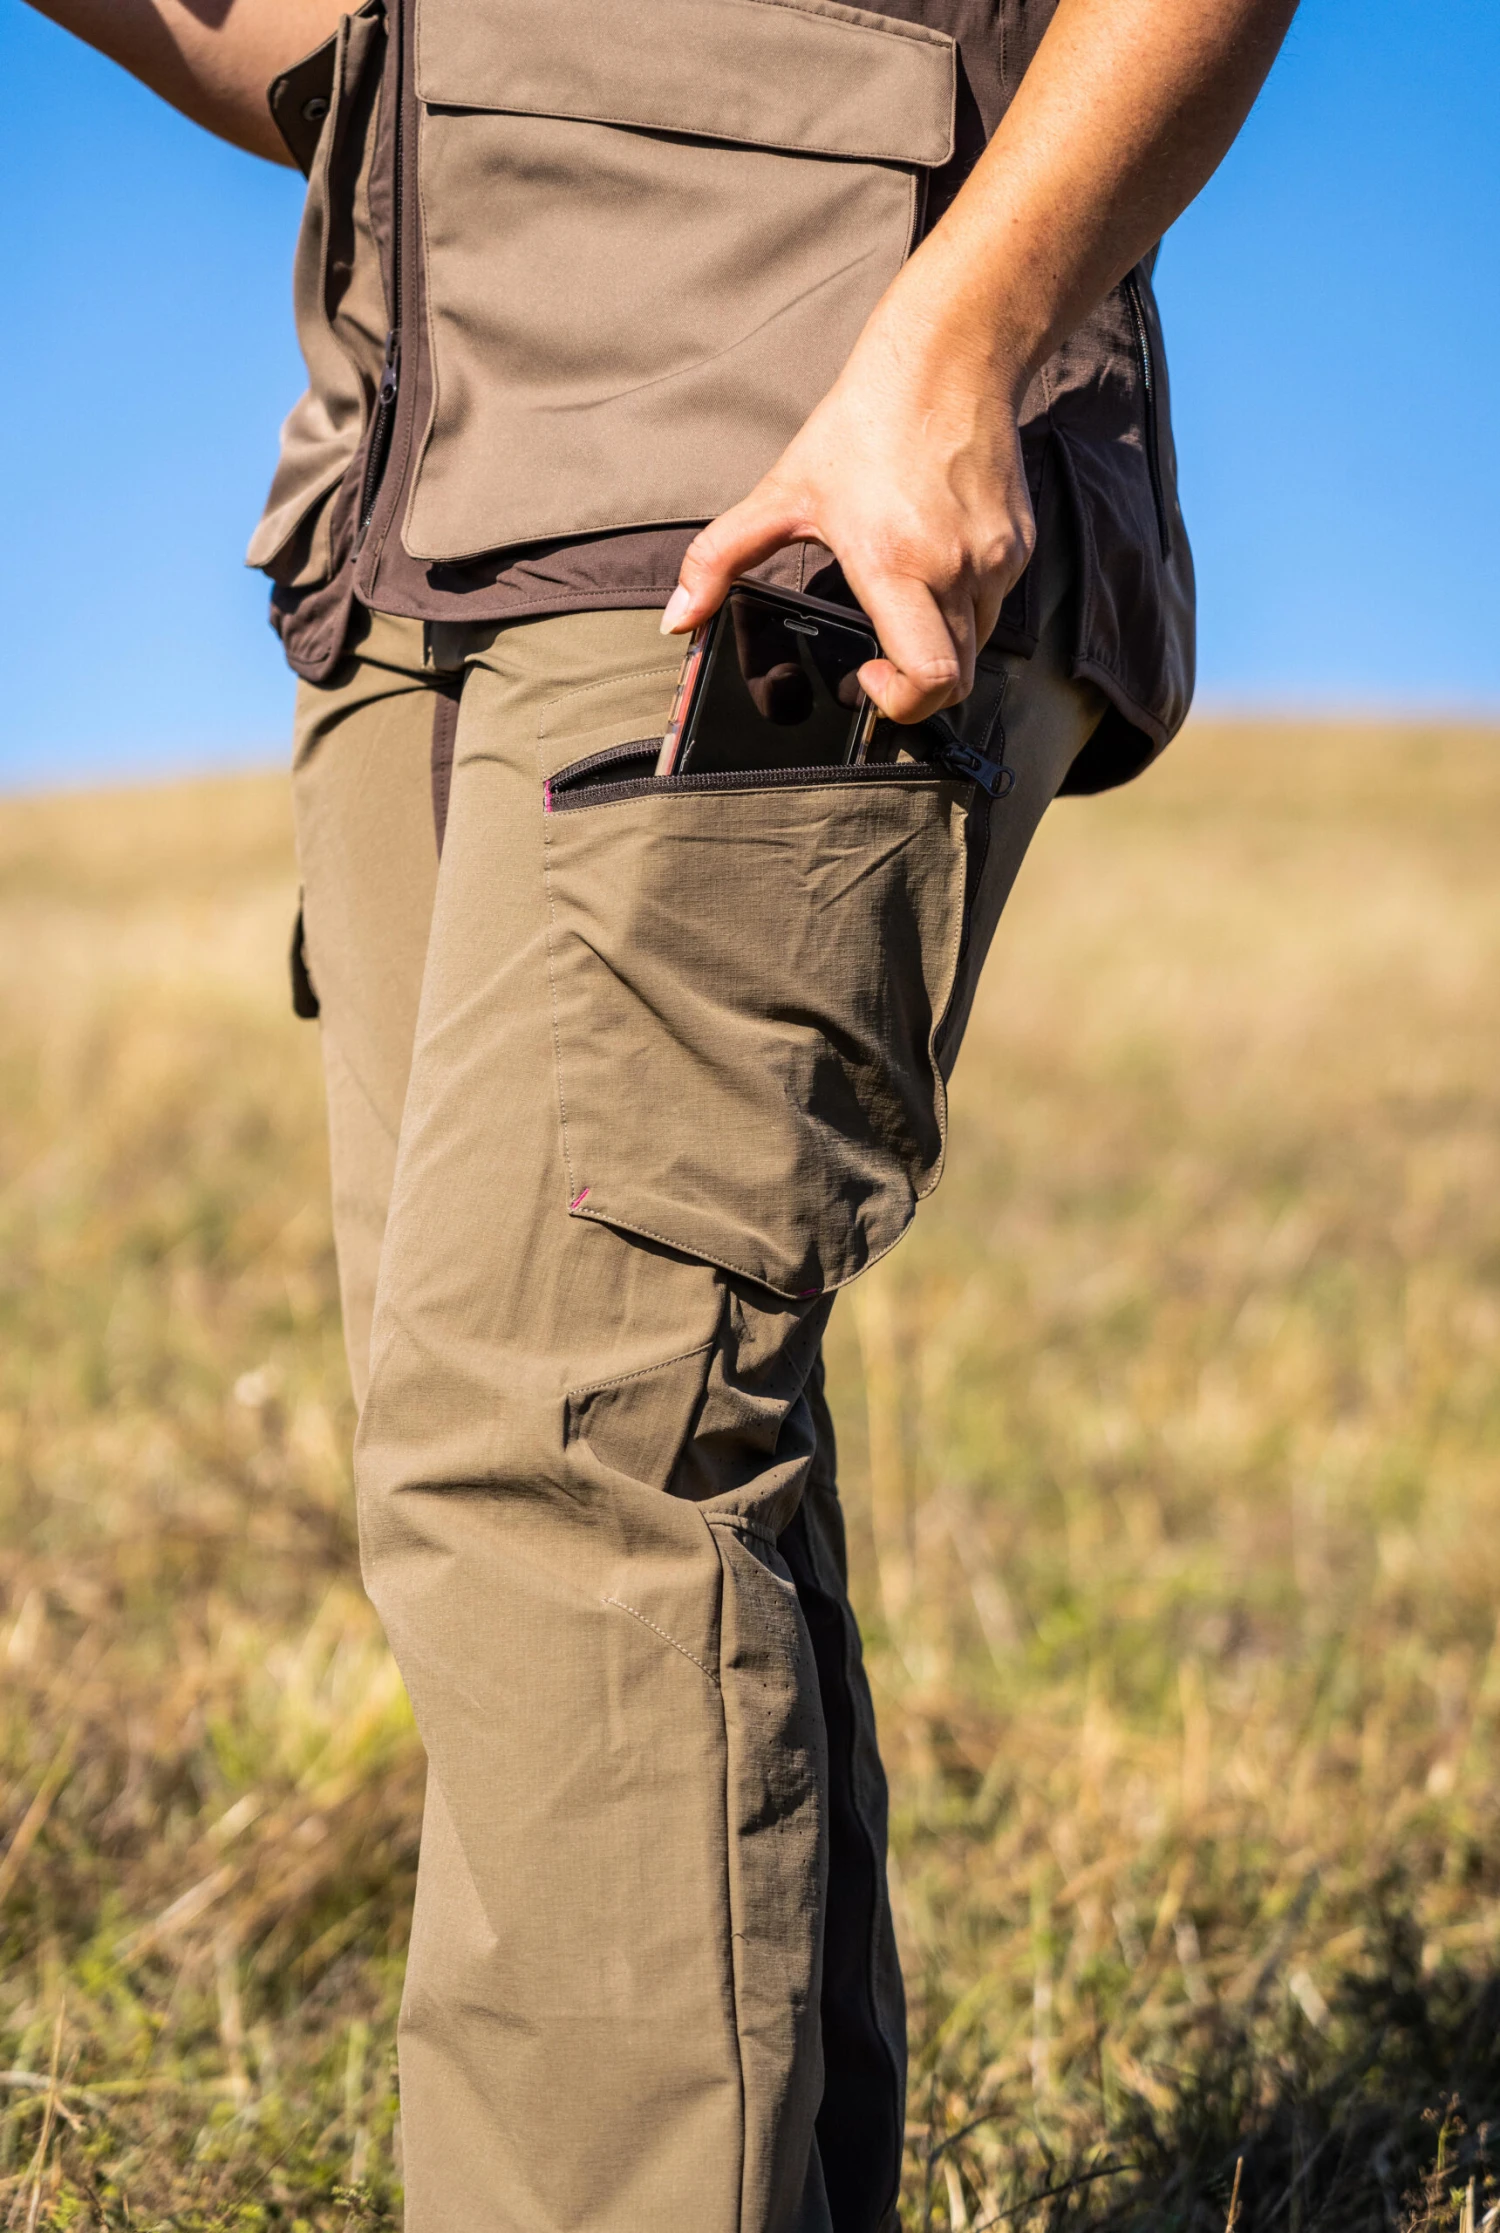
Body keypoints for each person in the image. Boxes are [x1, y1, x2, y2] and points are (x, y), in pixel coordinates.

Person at [27, 0, 1296, 2225]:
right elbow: (336, 50)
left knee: (558, 1451)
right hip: (418, 525)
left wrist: (963, 337)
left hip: (786, 463)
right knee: (588, 1482)